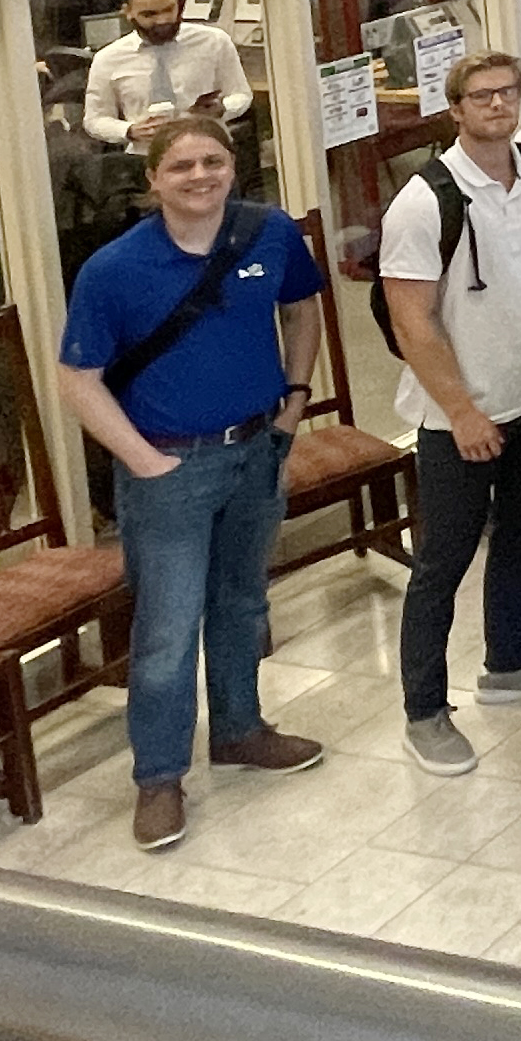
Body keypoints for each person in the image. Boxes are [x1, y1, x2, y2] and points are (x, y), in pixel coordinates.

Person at [56, 116, 327, 852]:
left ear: (233, 167)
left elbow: (302, 309)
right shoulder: (113, 270)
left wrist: (294, 403)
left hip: (257, 452)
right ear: (153, 180)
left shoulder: (269, 234)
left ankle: (239, 730)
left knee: (242, 601)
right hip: (169, 468)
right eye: (180, 166)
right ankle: (159, 777)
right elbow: (77, 379)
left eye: (213, 161)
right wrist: (142, 460)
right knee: (168, 631)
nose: (200, 176)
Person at [381, 52, 521, 779]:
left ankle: (509, 661)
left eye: (507, 92)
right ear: (455, 109)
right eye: (480, 95)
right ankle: (424, 710)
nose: (497, 104)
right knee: (443, 562)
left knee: (520, 535)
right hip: (458, 419)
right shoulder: (424, 201)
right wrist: (461, 410)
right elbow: (412, 320)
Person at [82, 0, 253, 147]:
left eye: (169, 10)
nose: (162, 21)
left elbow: (241, 94)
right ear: (128, 12)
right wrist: (129, 130)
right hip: (145, 154)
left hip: (208, 148)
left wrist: (222, 108)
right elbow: (95, 120)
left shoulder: (214, 41)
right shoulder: (108, 59)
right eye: (149, 15)